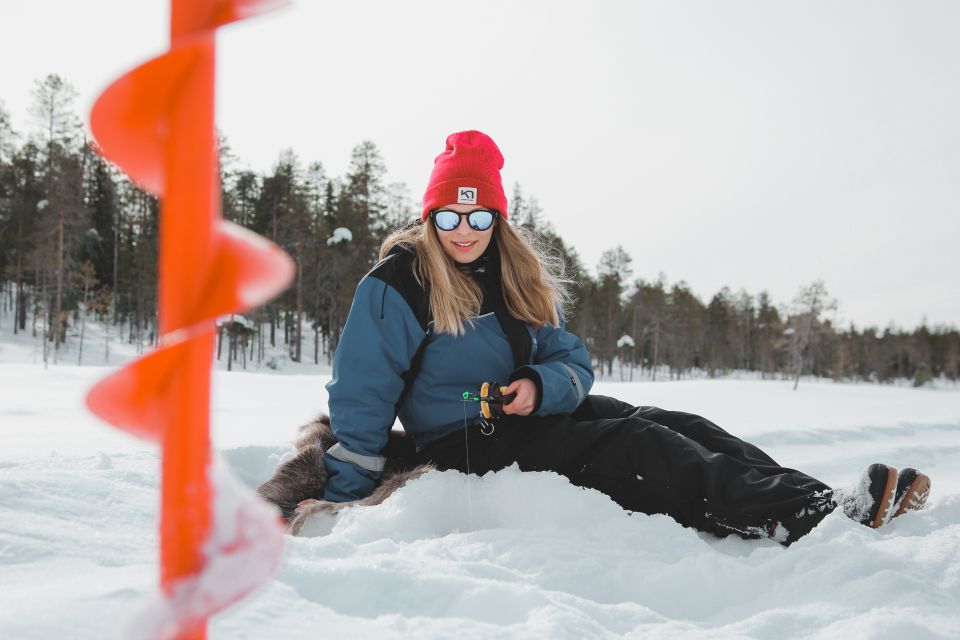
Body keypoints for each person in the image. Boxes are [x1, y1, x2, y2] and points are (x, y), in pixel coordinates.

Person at [319, 130, 930, 545]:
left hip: (526, 417)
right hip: (461, 441)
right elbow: (362, 394)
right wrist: (348, 497)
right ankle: (809, 517)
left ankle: (819, 496)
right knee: (632, 444)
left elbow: (571, 360)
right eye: (449, 216)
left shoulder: (513, 278)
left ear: (497, 218)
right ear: (429, 217)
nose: (464, 231)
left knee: (676, 422)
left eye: (479, 216)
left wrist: (537, 384)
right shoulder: (398, 284)